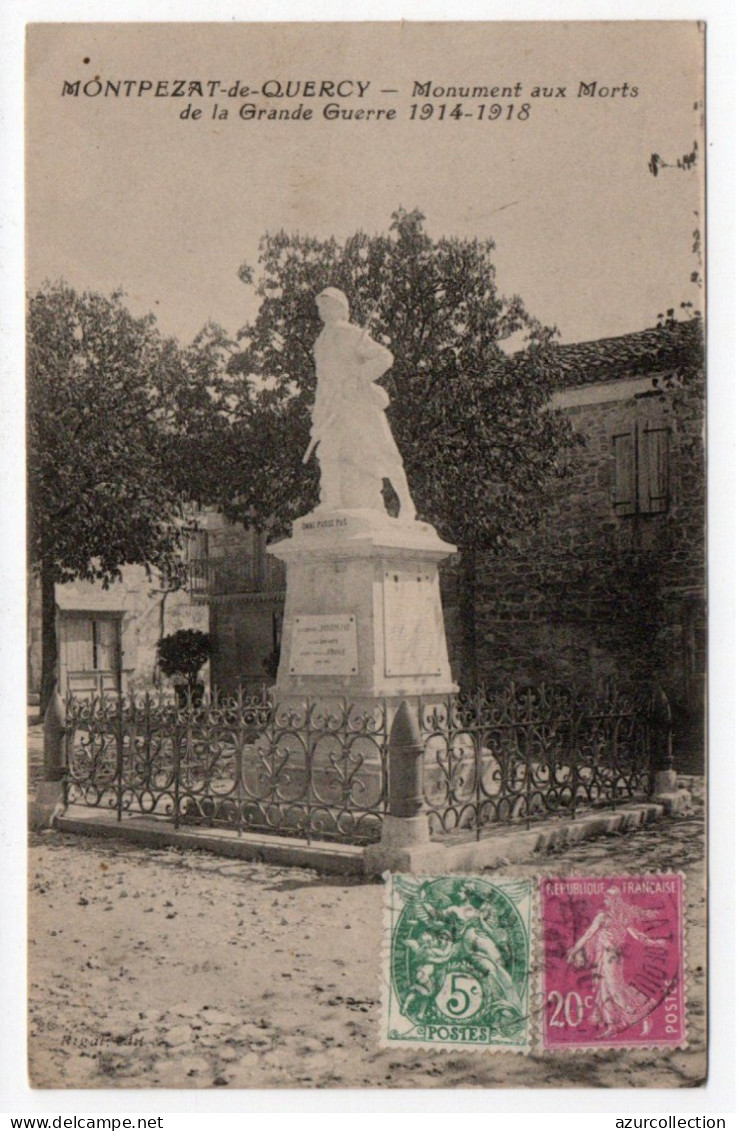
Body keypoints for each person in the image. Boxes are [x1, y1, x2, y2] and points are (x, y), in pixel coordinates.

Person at [304, 287, 417, 518]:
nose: (322, 310)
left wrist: (358, 376)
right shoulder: (320, 342)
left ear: (339, 307)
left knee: (384, 451)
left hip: (359, 403)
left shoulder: (350, 333)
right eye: (320, 306)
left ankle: (406, 503)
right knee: (329, 452)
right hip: (333, 405)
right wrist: (319, 411)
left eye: (327, 305)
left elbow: (385, 357)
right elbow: (322, 380)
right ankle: (333, 501)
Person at [566, 886, 667, 1036]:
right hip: (605, 955)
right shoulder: (613, 917)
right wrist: (654, 942)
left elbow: (588, 935)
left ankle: (645, 1017)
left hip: (611, 955)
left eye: (607, 898)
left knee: (616, 990)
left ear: (613, 900)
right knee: (604, 989)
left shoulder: (612, 918)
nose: (605, 900)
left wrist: (654, 943)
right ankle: (612, 1025)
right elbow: (636, 935)